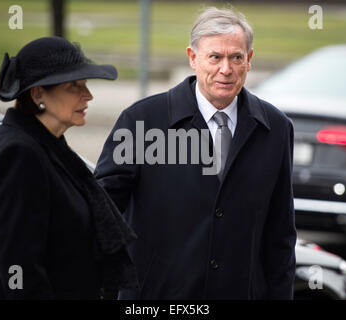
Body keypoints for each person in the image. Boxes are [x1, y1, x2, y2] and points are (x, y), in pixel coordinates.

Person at [94, 7, 296, 300]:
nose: (226, 69)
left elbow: (280, 236)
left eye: (236, 57)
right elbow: (102, 215)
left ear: (249, 60)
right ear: (193, 58)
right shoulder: (141, 122)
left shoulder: (276, 129)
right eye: (215, 57)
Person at [0, 36, 138, 299]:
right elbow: (21, 271)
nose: (88, 95)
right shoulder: (19, 154)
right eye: (74, 86)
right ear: (38, 94)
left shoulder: (47, 147)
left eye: (85, 84)